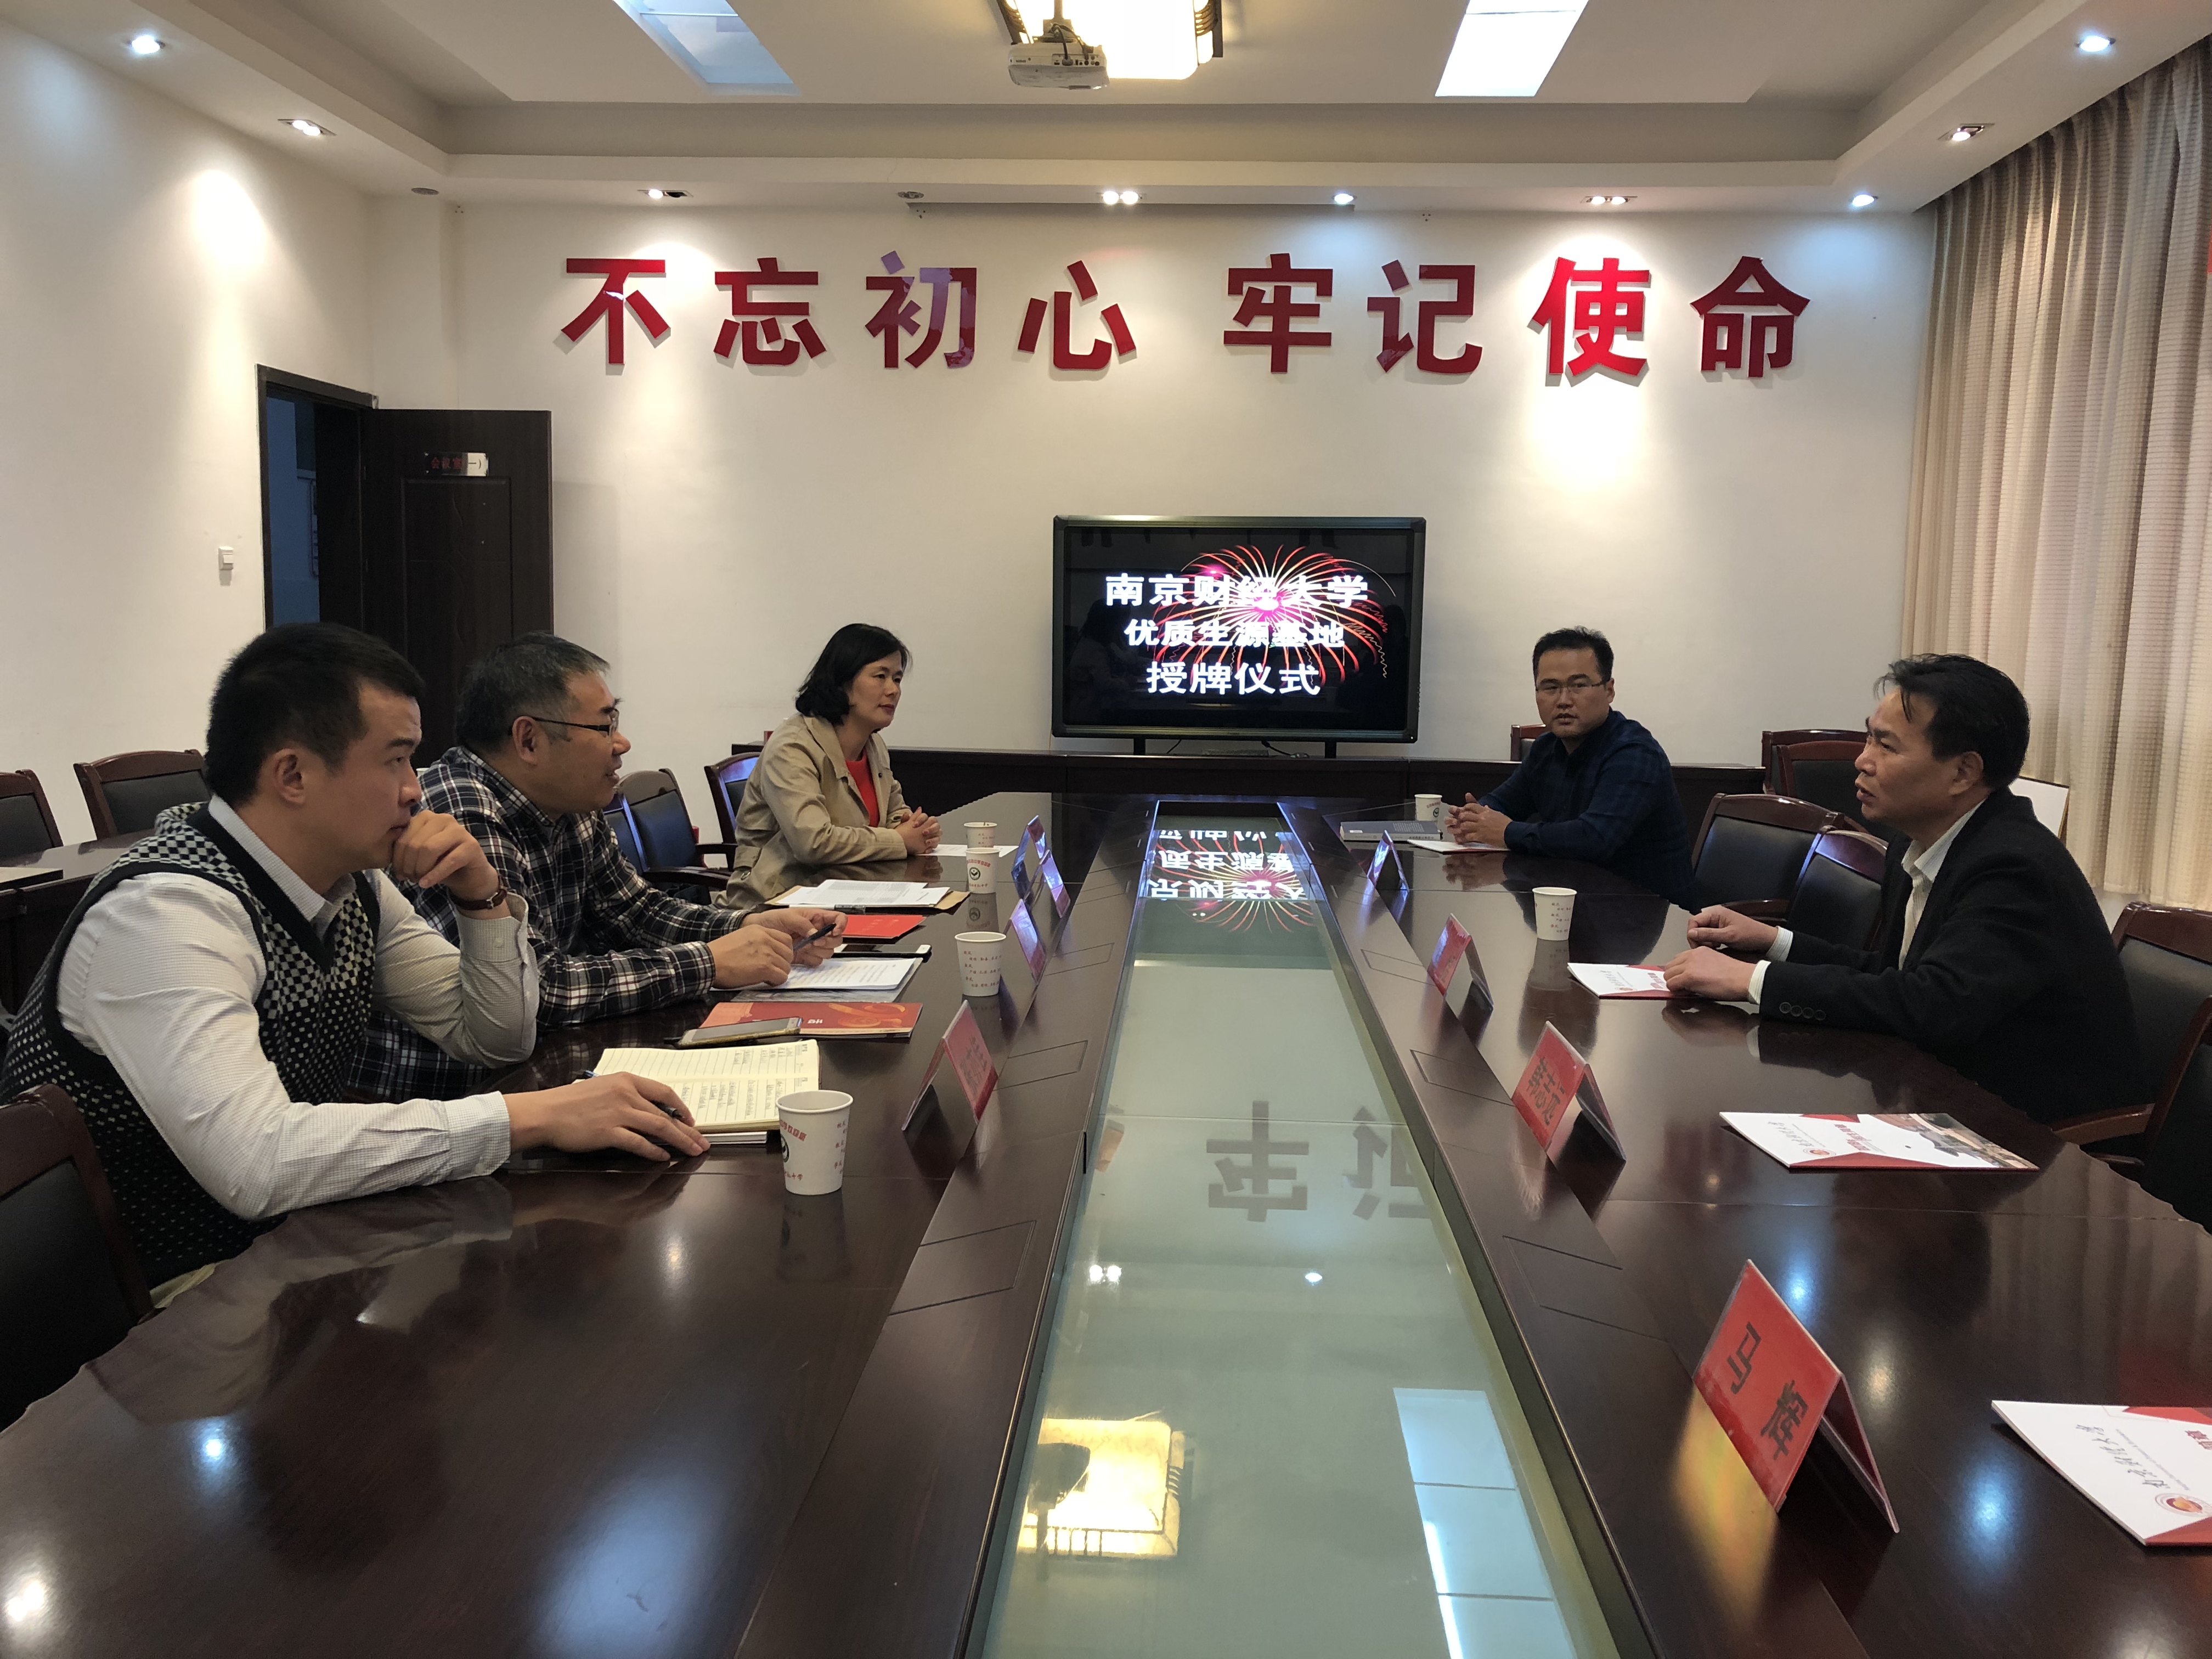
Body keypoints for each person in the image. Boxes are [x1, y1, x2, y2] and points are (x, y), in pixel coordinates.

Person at [1, 624, 710, 1292]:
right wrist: (531, 1117)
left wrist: (482, 897)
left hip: (279, 1253)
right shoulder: (165, 914)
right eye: (396, 759)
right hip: (149, 1308)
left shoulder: (354, 885)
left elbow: (495, 1036)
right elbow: (259, 1163)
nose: (416, 788)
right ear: (293, 775)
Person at [349, 633, 839, 1103]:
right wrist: (709, 962)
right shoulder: (460, 810)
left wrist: (750, 926)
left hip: (534, 1068)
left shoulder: (571, 804)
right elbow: (539, 990)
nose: (622, 743)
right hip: (452, 1094)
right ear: (529, 740)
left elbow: (636, 911)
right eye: (604, 726)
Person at [1661, 653, 2143, 1125]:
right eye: (1870, 737)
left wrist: (1753, 981)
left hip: (2029, 1132)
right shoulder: (1916, 844)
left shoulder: (2014, 867)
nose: (1862, 760)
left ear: (1963, 772)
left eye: (1886, 746)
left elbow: (1932, 1005)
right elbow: (1896, 975)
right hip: (1938, 1096)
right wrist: (1774, 942)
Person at [1446, 626, 1695, 907]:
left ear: (1609, 690)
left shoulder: (1634, 753)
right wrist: (1473, 818)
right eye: (1550, 688)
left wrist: (1505, 832)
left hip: (1647, 914)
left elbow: (1594, 839)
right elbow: (1503, 802)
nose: (1564, 700)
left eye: (1578, 685)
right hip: (1575, 902)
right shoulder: (1546, 748)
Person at [720, 623, 941, 909]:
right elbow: (813, 842)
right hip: (775, 904)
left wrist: (917, 829)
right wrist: (900, 840)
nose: (893, 690)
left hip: (846, 895)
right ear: (842, 682)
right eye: (881, 676)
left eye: (897, 679)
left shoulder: (873, 745)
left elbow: (894, 813)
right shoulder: (793, 747)